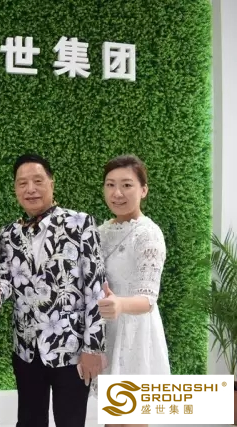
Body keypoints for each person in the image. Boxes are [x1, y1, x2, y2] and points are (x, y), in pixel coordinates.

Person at [0, 153, 107, 427]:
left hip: (71, 349)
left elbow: (95, 288)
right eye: (22, 183)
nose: (30, 189)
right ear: (15, 189)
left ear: (51, 183)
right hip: (26, 349)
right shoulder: (9, 233)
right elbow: (5, 279)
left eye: (38, 181)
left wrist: (93, 348)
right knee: (29, 421)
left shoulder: (80, 224)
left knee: (70, 422)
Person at [97, 155, 169, 427]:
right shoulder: (101, 231)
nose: (117, 193)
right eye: (110, 185)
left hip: (135, 333)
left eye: (127, 185)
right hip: (107, 331)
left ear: (143, 190)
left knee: (130, 418)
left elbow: (148, 299)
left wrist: (120, 305)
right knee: (113, 418)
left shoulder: (148, 234)